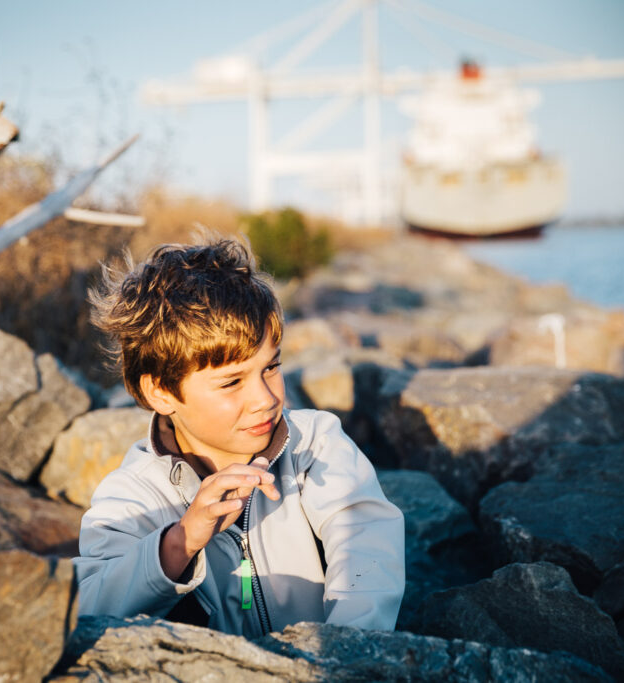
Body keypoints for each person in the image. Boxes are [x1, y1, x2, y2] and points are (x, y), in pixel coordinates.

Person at [72, 236, 405, 638]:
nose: (265, 398)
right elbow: (86, 606)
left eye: (271, 367)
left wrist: (341, 654)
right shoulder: (131, 496)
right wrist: (179, 544)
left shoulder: (315, 444)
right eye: (232, 382)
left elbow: (367, 545)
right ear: (160, 392)